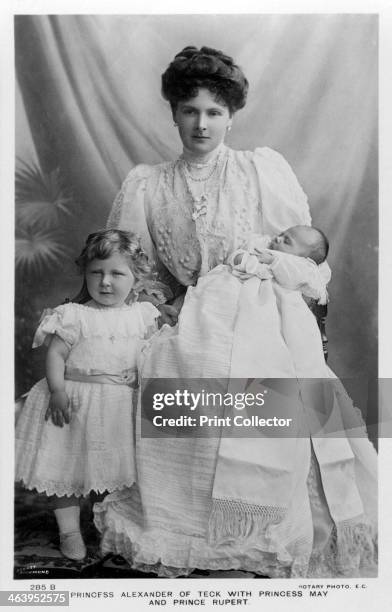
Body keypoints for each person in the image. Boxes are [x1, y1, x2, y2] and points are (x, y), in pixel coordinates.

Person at [93, 46, 377, 577]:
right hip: (184, 318)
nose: (201, 125)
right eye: (189, 111)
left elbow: (301, 262)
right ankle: (181, 521)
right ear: (173, 112)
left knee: (257, 371)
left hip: (258, 316)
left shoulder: (261, 170)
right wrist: (171, 310)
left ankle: (258, 527)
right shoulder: (146, 184)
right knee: (174, 362)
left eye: (214, 113)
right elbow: (136, 272)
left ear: (232, 116)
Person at [15, 229, 160, 561]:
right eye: (97, 272)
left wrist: (139, 377)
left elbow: (151, 355)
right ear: (85, 272)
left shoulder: (142, 316)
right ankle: (69, 531)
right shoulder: (74, 315)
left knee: (115, 471)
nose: (105, 281)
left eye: (116, 273)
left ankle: (112, 525)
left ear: (136, 277)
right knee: (66, 469)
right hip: (75, 402)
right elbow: (56, 355)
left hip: (119, 406)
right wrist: (57, 391)